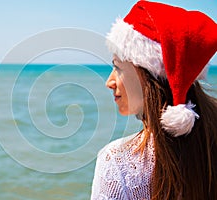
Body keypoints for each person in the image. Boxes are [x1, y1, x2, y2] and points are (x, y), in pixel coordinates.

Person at [90, 1, 217, 199]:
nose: (109, 82)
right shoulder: (210, 140)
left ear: (148, 75)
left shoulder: (117, 162)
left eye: (118, 67)